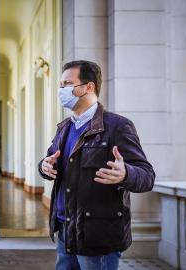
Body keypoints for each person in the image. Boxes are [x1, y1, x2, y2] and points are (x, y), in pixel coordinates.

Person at [38, 60, 155, 270]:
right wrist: (44, 167)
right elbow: (49, 162)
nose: (61, 90)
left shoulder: (117, 127)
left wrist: (126, 173)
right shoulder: (64, 128)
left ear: (88, 87)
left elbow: (147, 176)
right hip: (65, 231)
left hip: (98, 236)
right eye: (60, 84)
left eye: (67, 84)